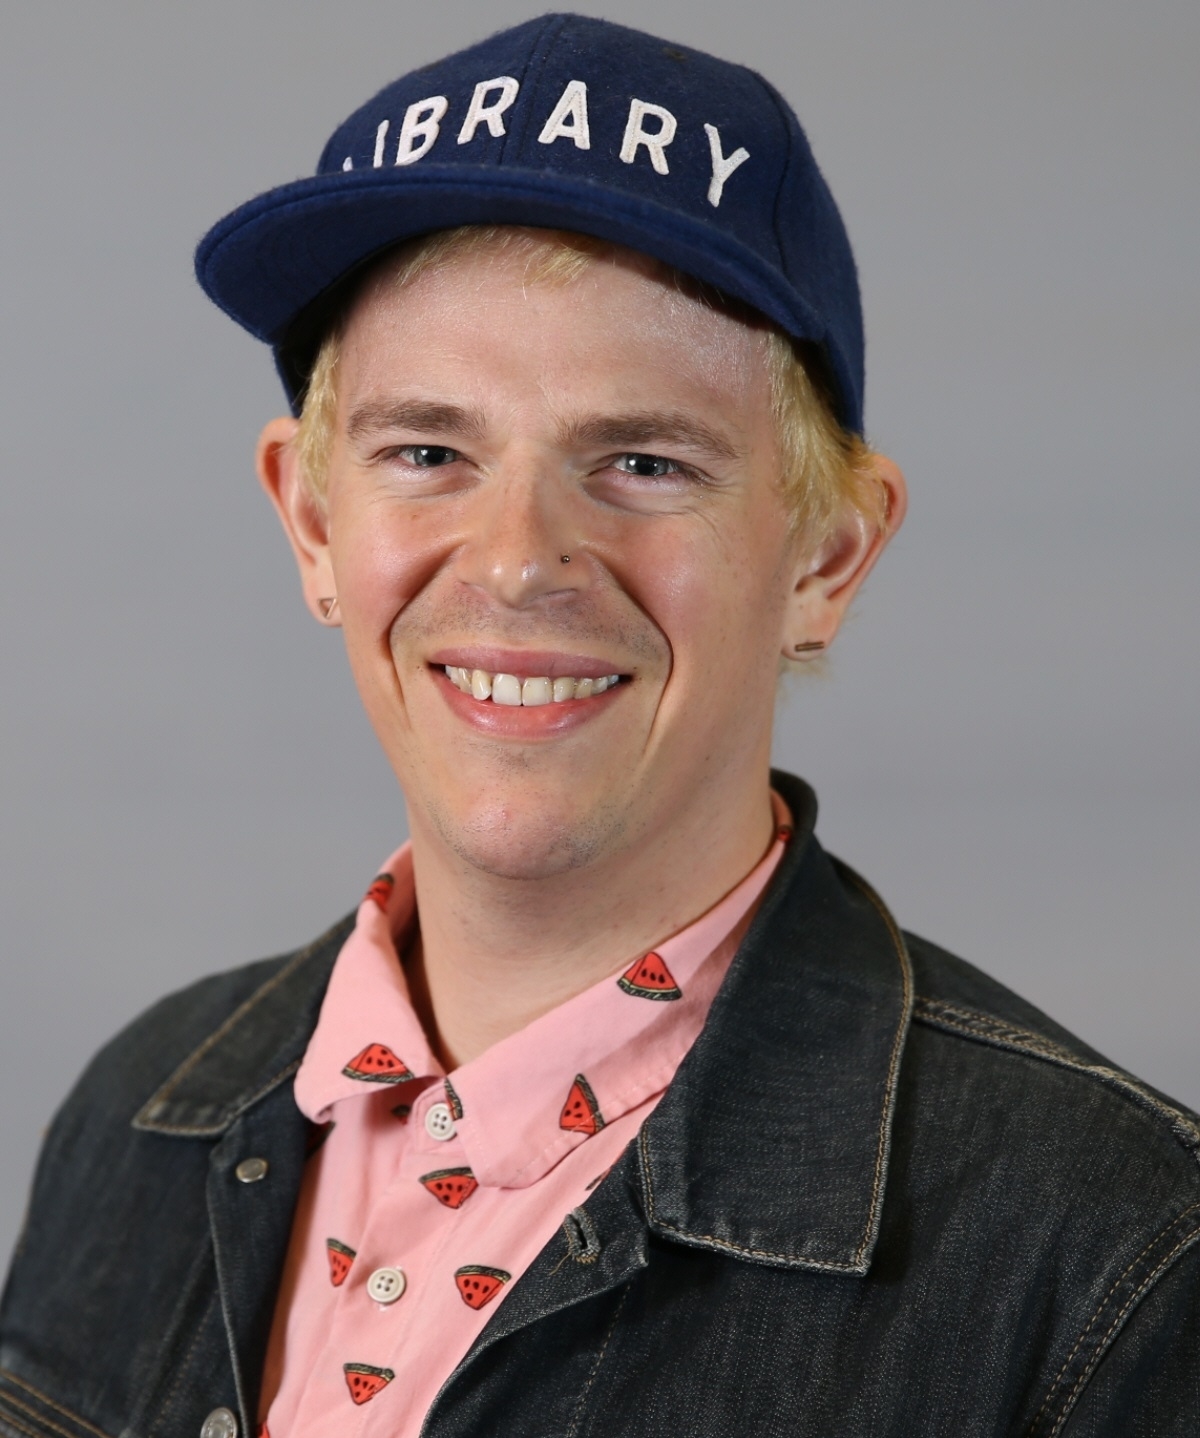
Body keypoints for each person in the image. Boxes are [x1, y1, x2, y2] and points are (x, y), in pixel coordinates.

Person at [1, 13, 1196, 1437]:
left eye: (641, 460)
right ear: (315, 522)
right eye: (428, 452)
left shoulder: (1111, 1257)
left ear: (824, 555)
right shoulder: (142, 1111)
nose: (516, 559)